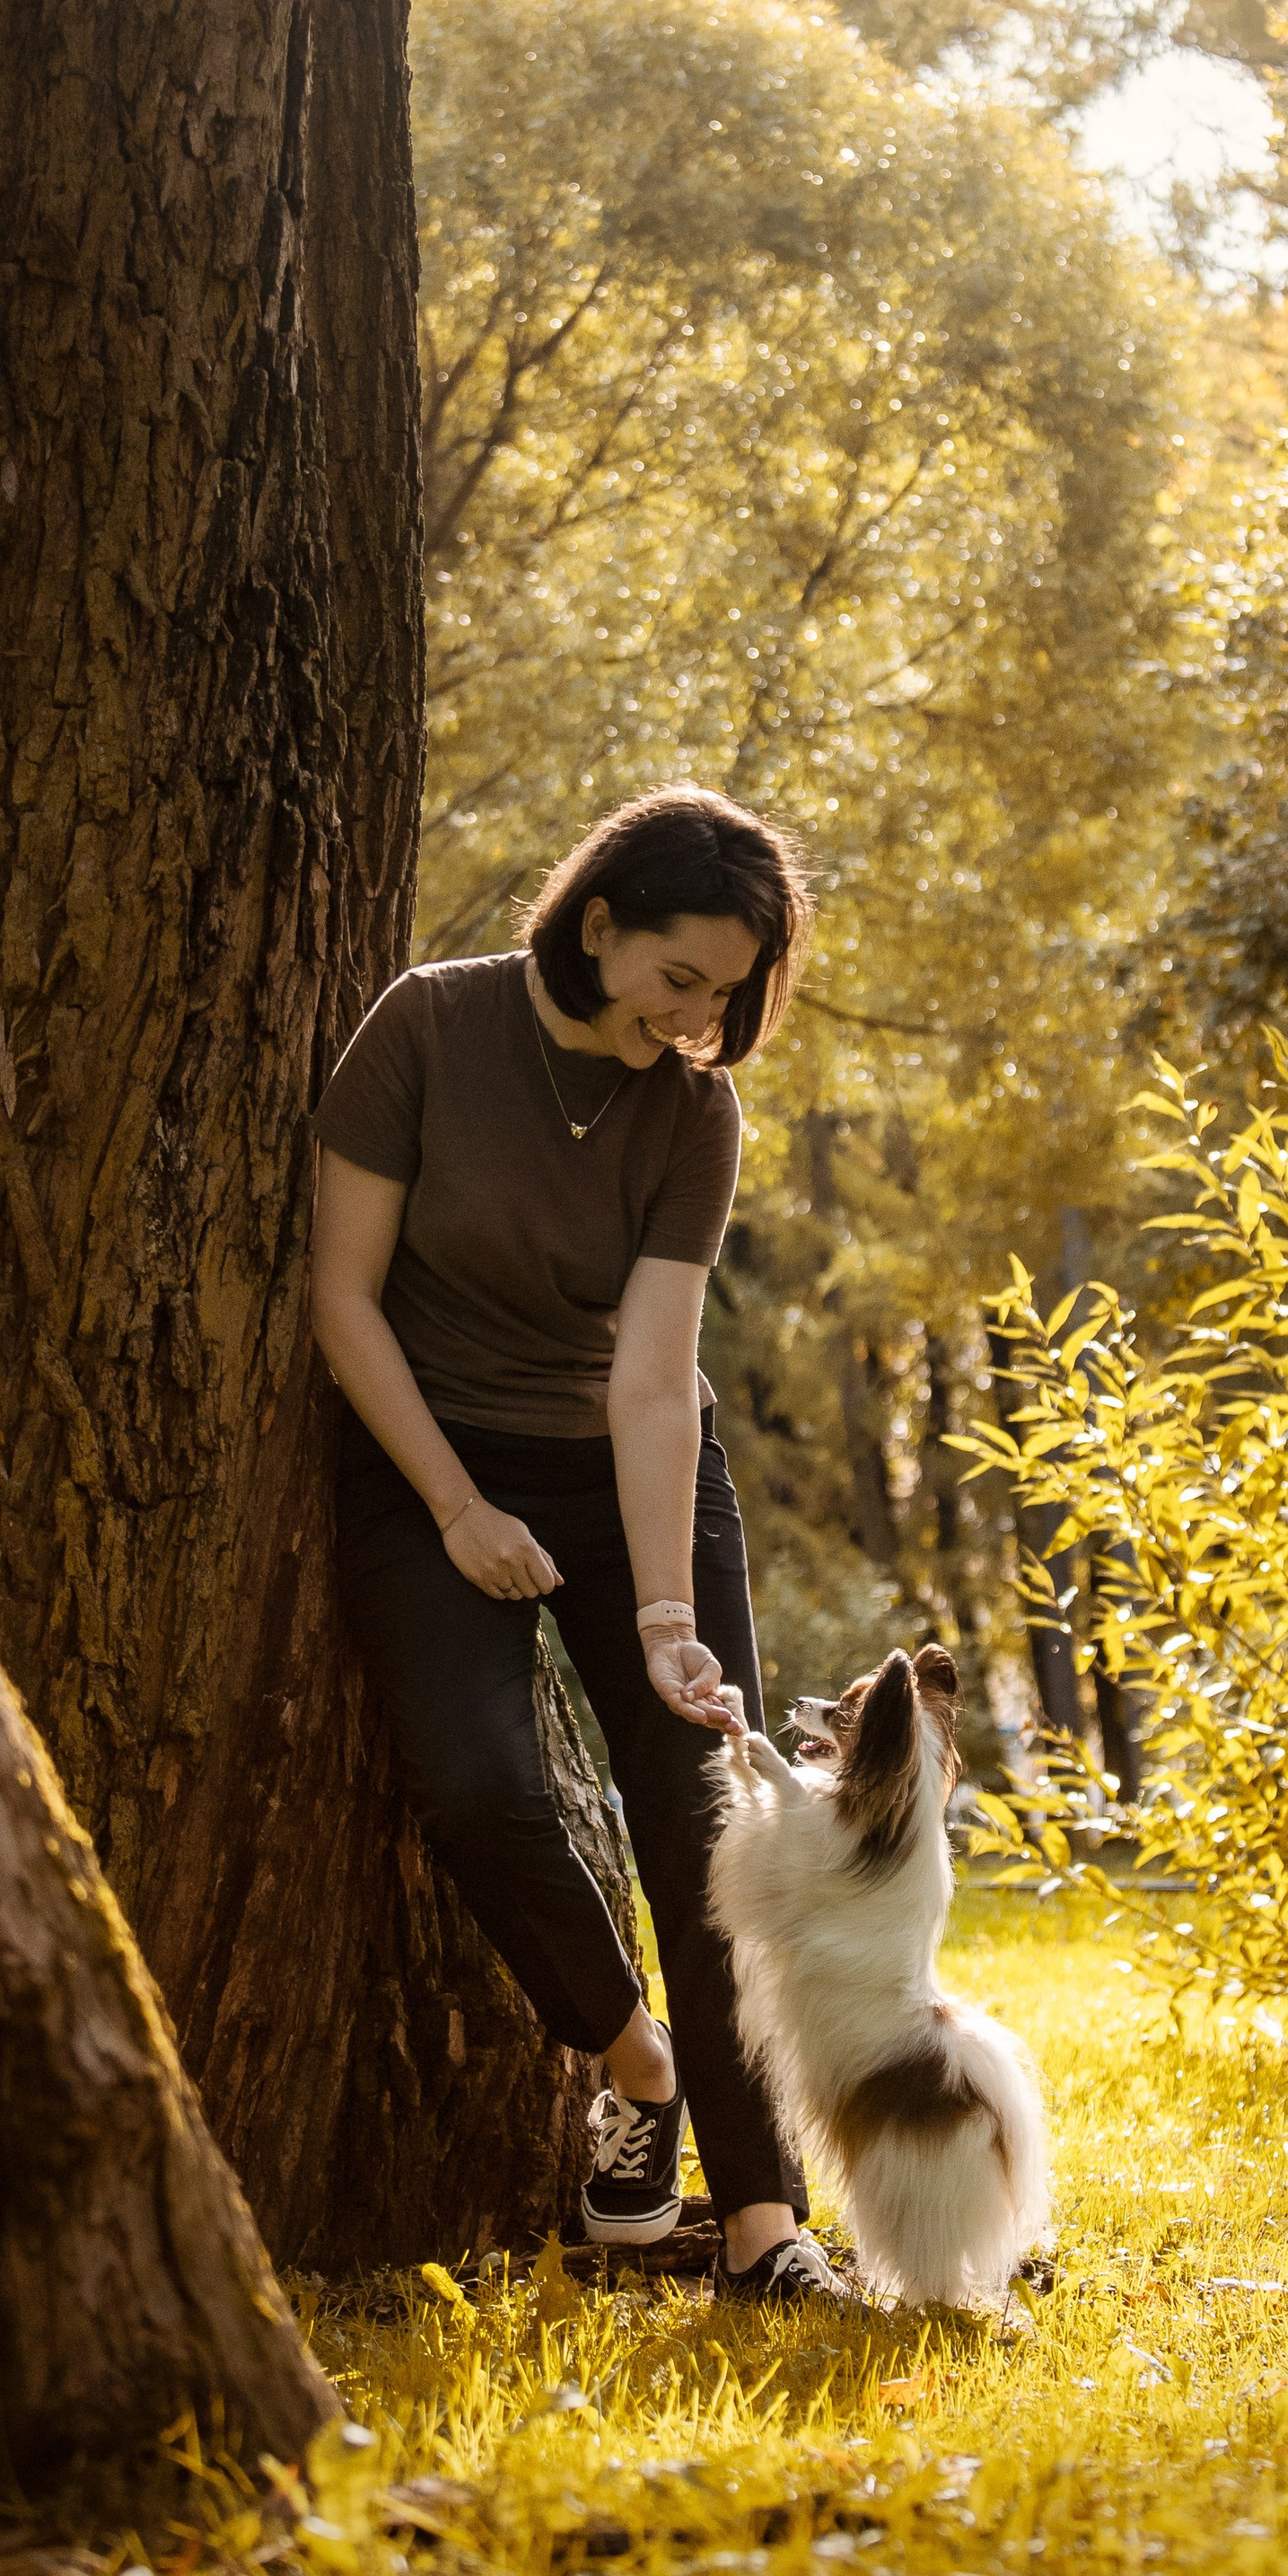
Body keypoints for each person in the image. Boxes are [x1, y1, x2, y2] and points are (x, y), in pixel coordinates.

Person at [310, 786, 851, 2302]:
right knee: (478, 1787)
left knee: (702, 1822)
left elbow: (655, 1373)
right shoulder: (427, 1028)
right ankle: (634, 2059)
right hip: (430, 1456)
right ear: (598, 923)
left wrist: (670, 1611)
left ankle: (763, 2227)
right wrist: (457, 1508)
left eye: (728, 997)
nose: (698, 1021)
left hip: (630, 1463)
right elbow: (343, 1298)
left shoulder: (693, 1113)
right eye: (680, 979)